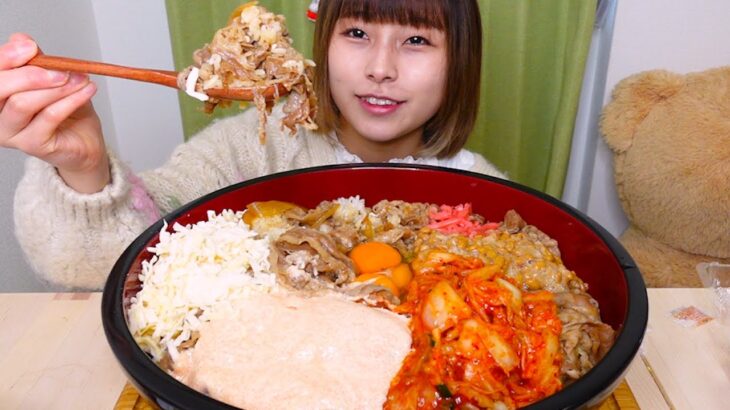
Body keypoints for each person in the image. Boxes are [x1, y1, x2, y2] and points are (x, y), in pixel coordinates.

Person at [0, 0, 505, 290]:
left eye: (416, 41)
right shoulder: (253, 147)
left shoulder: (482, 193)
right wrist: (84, 170)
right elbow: (117, 258)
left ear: (459, 61)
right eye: (356, 32)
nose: (380, 67)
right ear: (322, 46)